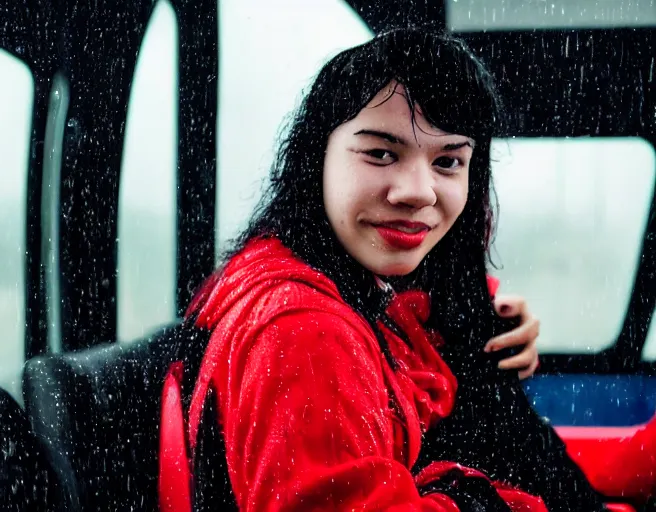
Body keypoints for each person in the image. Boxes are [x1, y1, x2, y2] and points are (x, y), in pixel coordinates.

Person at [156, 28, 655, 512]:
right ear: (317, 158)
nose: (418, 191)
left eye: (449, 162)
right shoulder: (304, 332)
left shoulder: (364, 294)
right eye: (380, 153)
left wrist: (475, 329)